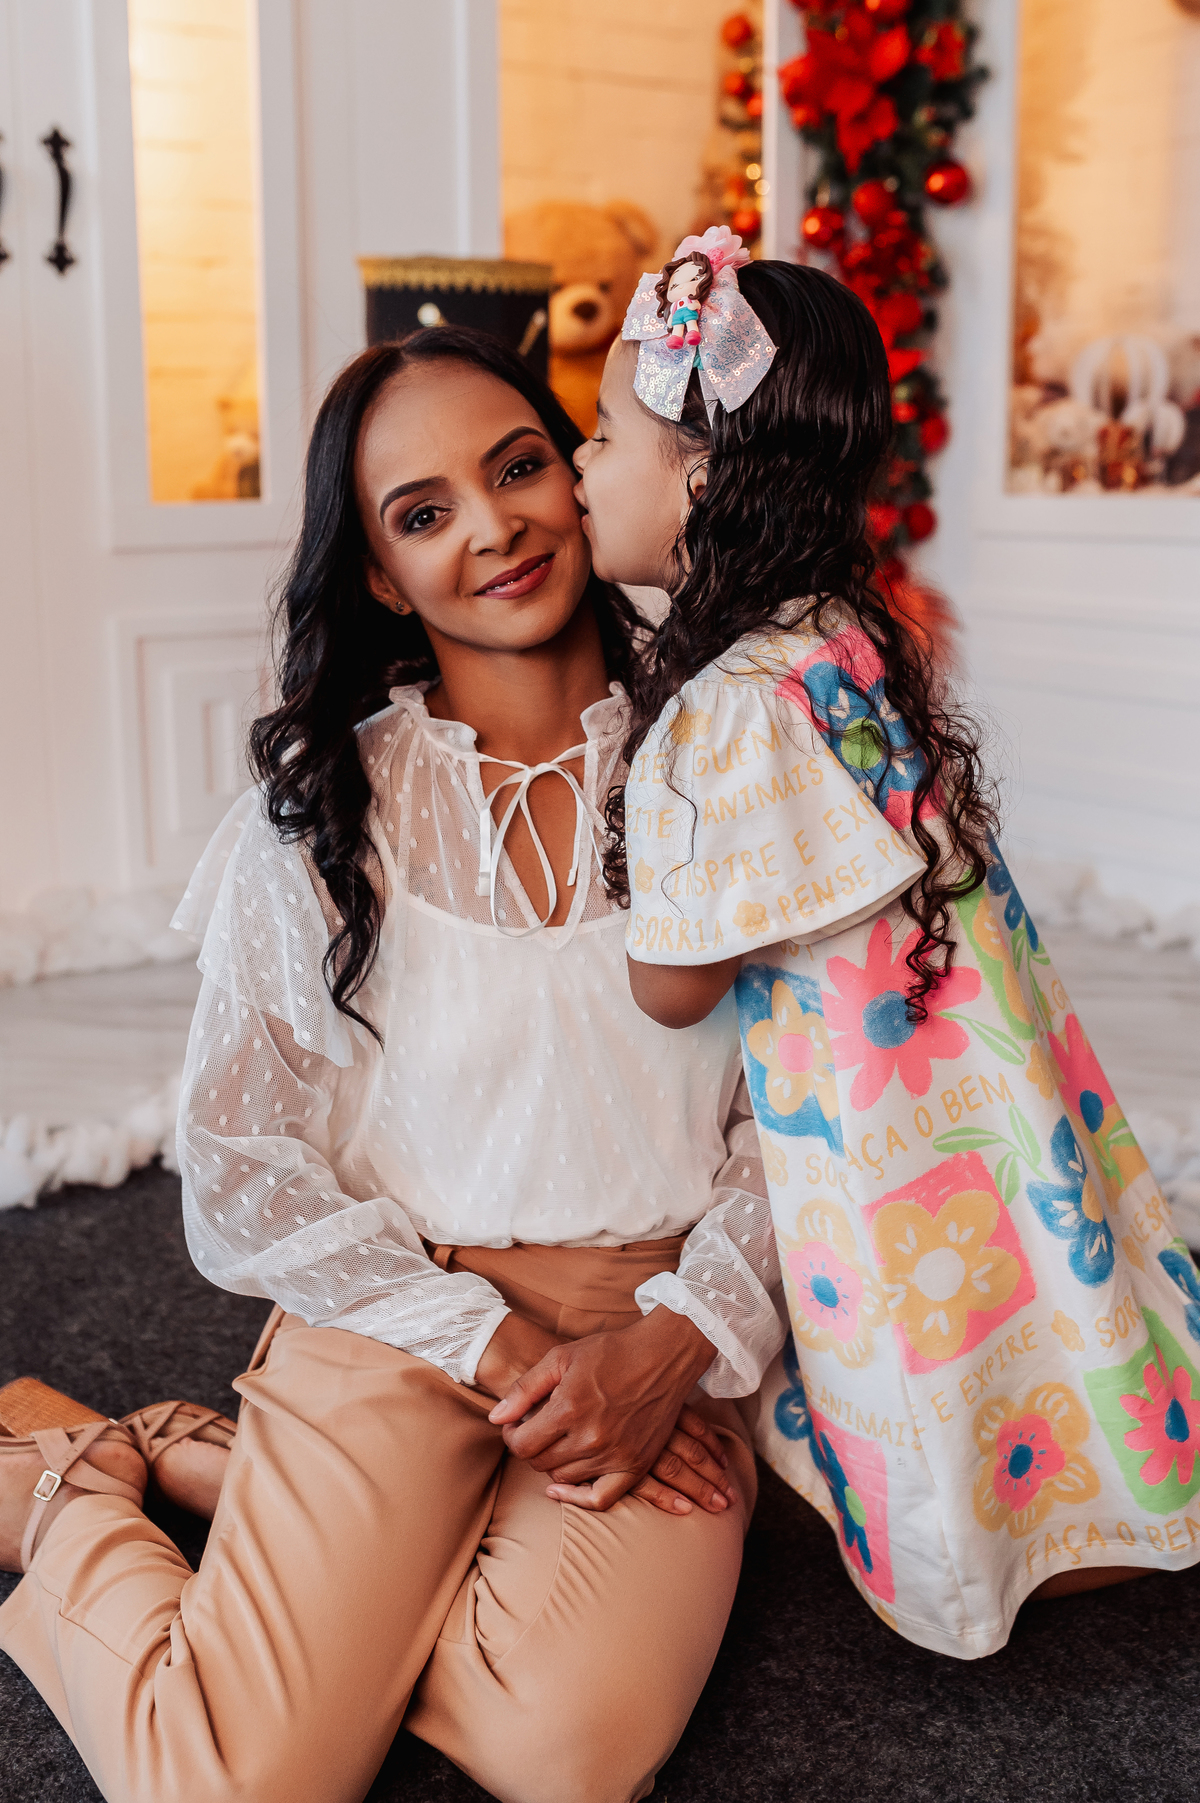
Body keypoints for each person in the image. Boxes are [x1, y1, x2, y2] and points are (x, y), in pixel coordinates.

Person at [0, 329, 787, 1803]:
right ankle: (64, 1491)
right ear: (378, 574)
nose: (494, 527)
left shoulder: (742, 759)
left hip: (653, 1321)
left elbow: (813, 1118)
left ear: (583, 474)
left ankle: (235, 1485)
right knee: (237, 1785)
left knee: (563, 1754)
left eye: (519, 466)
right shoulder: (317, 818)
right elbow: (241, 1169)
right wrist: (494, 1348)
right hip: (402, 1308)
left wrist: (679, 1344)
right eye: (425, 513)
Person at [572, 225, 1200, 1661]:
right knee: (1039, 1260)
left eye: (603, 433)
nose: (583, 464)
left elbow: (671, 988)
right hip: (978, 1059)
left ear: (701, 474)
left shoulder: (718, 715)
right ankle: (1117, 1478)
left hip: (873, 1127)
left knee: (928, 1326)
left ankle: (988, 1549)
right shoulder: (842, 638)